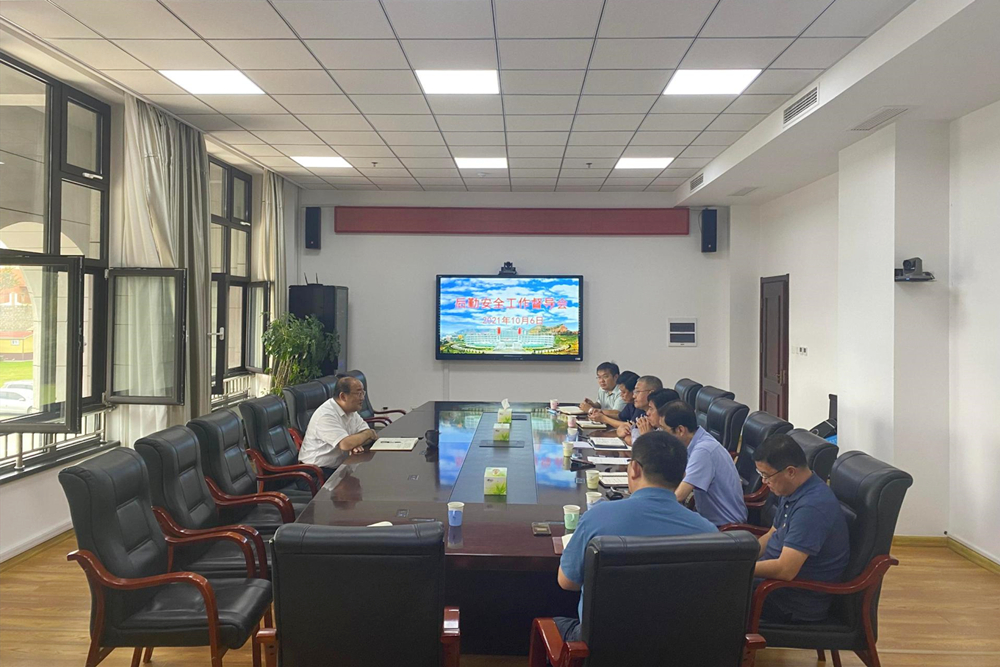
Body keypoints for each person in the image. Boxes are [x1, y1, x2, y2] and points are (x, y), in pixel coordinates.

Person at [554, 431, 718, 641]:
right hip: (678, 645)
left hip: (604, 643)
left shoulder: (598, 517)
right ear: (683, 474)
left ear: (634, 469)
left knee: (553, 626)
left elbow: (567, 582)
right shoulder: (708, 532)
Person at [753, 434, 850, 622]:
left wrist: (743, 568)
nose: (764, 481)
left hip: (790, 601)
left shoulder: (811, 508)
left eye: (766, 475)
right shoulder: (792, 489)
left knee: (709, 595)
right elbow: (773, 533)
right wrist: (739, 557)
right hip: (771, 586)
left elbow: (785, 570)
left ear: (790, 471)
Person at [659, 400, 748, 526]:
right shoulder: (694, 442)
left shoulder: (703, 451)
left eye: (664, 429)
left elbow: (679, 496)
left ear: (680, 430)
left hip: (724, 527)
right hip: (706, 519)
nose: (662, 435)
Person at [299, 376, 378, 479]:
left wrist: (357, 442)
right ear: (343, 396)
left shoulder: (351, 410)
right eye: (358, 394)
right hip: (315, 473)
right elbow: (346, 444)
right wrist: (367, 434)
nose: (362, 398)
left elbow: (368, 435)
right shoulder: (326, 415)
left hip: (338, 468)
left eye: (363, 393)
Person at [615, 375, 663, 445]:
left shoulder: (661, 417)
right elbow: (631, 434)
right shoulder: (643, 413)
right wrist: (620, 430)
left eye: (637, 391)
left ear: (651, 393)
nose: (634, 396)